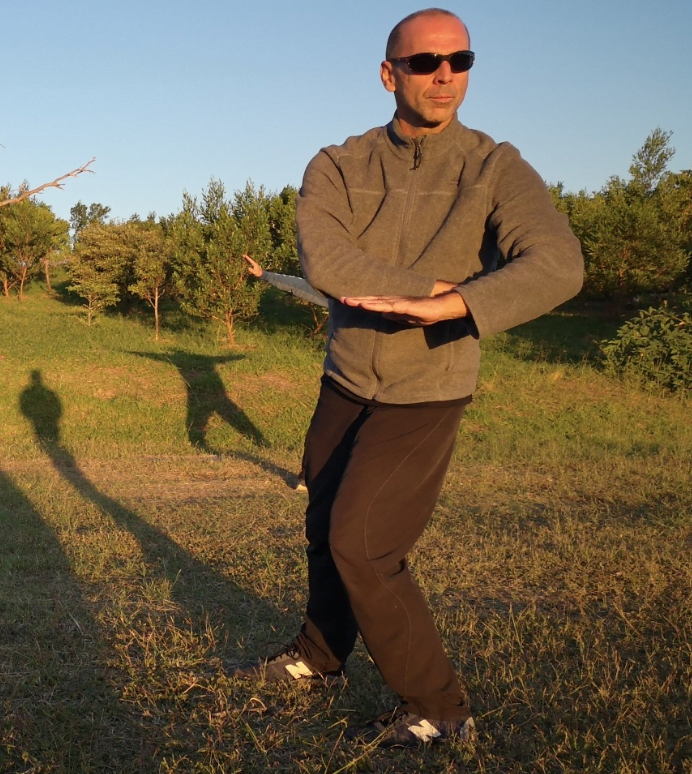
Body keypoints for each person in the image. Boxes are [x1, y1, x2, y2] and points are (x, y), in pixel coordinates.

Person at [231, 8, 583, 749]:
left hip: (429, 387)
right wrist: (435, 285)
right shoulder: (338, 164)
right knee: (323, 527)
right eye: (424, 63)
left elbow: (556, 263)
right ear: (390, 74)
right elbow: (328, 259)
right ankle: (319, 659)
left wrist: (458, 304)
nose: (444, 74)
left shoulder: (495, 166)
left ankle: (439, 707)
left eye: (460, 59)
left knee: (365, 544)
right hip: (347, 377)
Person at [242, 253, 329, 494]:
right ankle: (308, 478)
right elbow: (301, 287)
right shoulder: (344, 296)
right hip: (341, 377)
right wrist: (264, 275)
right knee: (323, 429)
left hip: (385, 382)